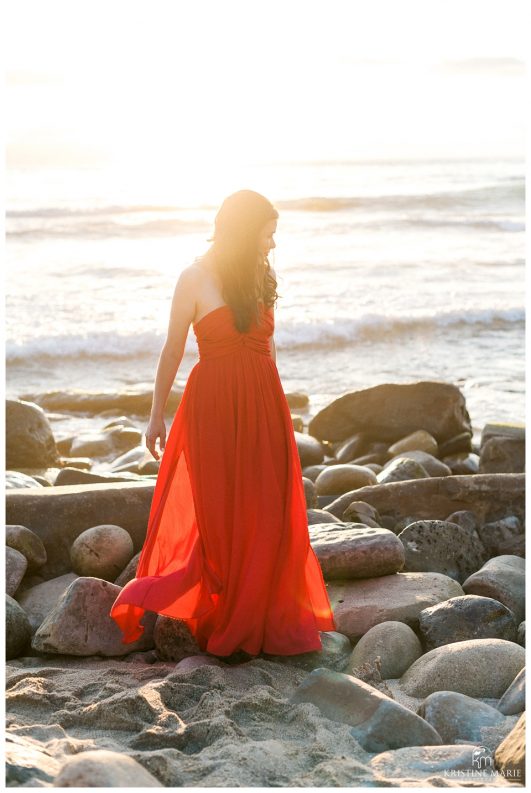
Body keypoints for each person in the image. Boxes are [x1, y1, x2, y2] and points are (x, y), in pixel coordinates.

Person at [109, 189, 336, 659]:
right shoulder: (193, 278)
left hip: (263, 405)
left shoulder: (261, 275)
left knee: (267, 511)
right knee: (221, 514)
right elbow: (172, 350)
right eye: (267, 234)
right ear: (243, 231)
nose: (272, 244)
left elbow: (270, 349)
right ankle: (227, 612)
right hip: (211, 409)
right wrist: (155, 415)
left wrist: (279, 410)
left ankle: (261, 615)